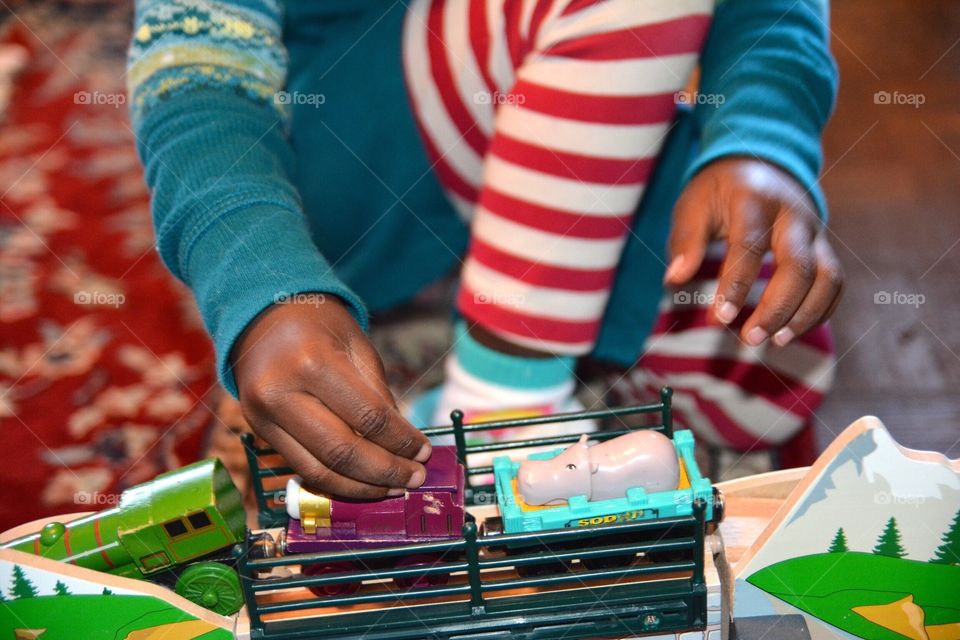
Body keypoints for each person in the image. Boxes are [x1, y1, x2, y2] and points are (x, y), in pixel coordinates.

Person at [128, 0, 842, 498]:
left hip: (549, 110)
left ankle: (505, 338)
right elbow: (194, 80)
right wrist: (264, 284)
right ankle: (505, 409)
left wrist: (761, 136)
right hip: (342, 156)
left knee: (768, 380)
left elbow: (767, 10)